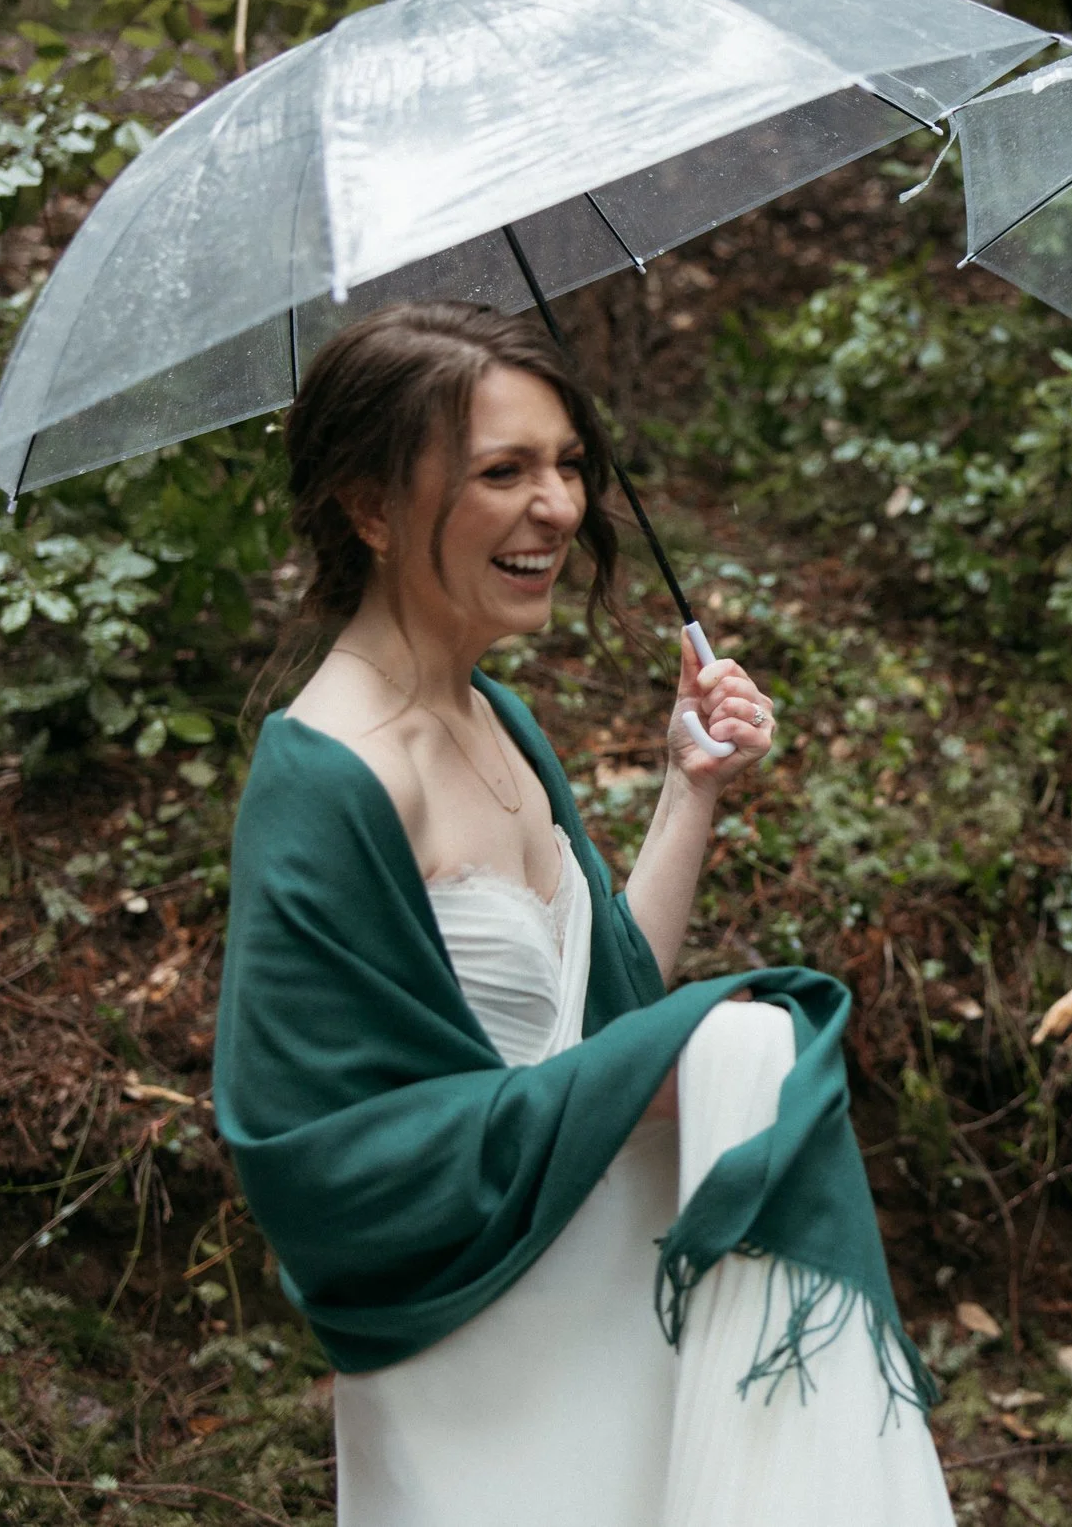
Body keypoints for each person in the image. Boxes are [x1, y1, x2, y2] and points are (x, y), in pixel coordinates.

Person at [213, 302, 952, 1527]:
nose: (557, 506)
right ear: (371, 504)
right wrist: (645, 1078)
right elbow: (312, 1154)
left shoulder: (498, 715)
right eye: (502, 470)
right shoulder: (331, 772)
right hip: (475, 1341)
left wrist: (689, 789)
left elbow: (605, 1010)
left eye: (566, 463)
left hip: (619, 1285)